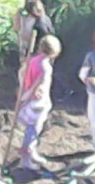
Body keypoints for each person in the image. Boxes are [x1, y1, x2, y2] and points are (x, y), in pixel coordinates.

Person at [16, 35, 62, 170]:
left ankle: (32, 152)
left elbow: (21, 73)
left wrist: (23, 91)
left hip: (28, 96)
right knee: (34, 129)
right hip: (37, 102)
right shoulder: (45, 66)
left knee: (32, 127)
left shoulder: (32, 60)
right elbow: (39, 84)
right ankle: (26, 159)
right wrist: (29, 96)